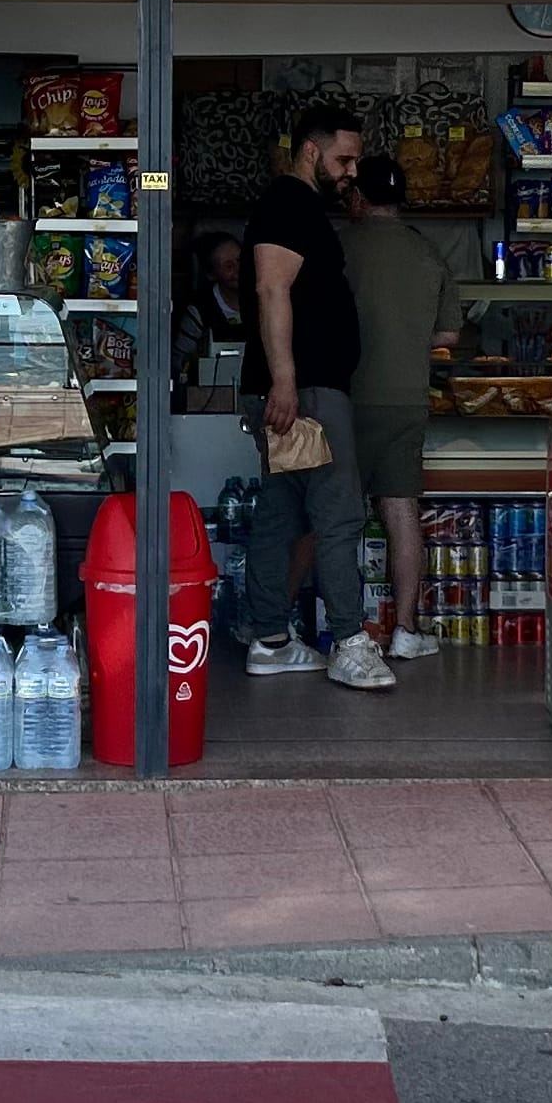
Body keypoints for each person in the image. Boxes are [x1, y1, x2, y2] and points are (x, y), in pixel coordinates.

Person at [239, 104, 389, 690]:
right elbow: (271, 288)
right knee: (338, 514)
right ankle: (350, 643)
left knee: (284, 513)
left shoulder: (299, 206)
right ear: (310, 150)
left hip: (298, 390)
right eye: (343, 159)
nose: (351, 171)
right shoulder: (288, 202)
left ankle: (271, 638)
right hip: (306, 394)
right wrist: (285, 382)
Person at [336, 154, 458, 659]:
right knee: (401, 513)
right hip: (407, 399)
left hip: (343, 399)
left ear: (358, 197)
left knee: (330, 517)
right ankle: (406, 631)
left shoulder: (336, 248)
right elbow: (449, 333)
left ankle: (317, 630)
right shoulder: (428, 254)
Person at [174, 229, 250, 384]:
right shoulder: (199, 311)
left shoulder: (266, 299)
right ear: (211, 274)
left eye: (241, 261)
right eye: (229, 266)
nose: (238, 270)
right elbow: (177, 362)